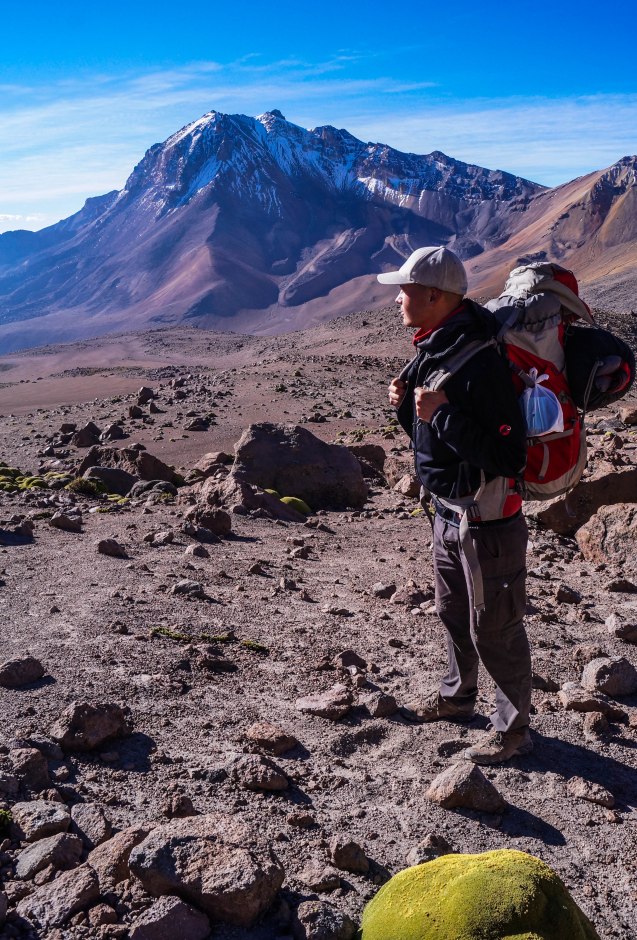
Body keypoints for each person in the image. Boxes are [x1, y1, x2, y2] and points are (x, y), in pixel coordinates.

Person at [378, 246, 532, 765]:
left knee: (495, 628)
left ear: (434, 296)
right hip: (449, 512)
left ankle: (512, 731)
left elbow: (509, 456)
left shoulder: (479, 360)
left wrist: (441, 413)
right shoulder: (437, 347)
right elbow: (435, 442)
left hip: (487, 523)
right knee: (452, 611)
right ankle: (457, 698)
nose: (397, 299)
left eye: (405, 290)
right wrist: (409, 409)